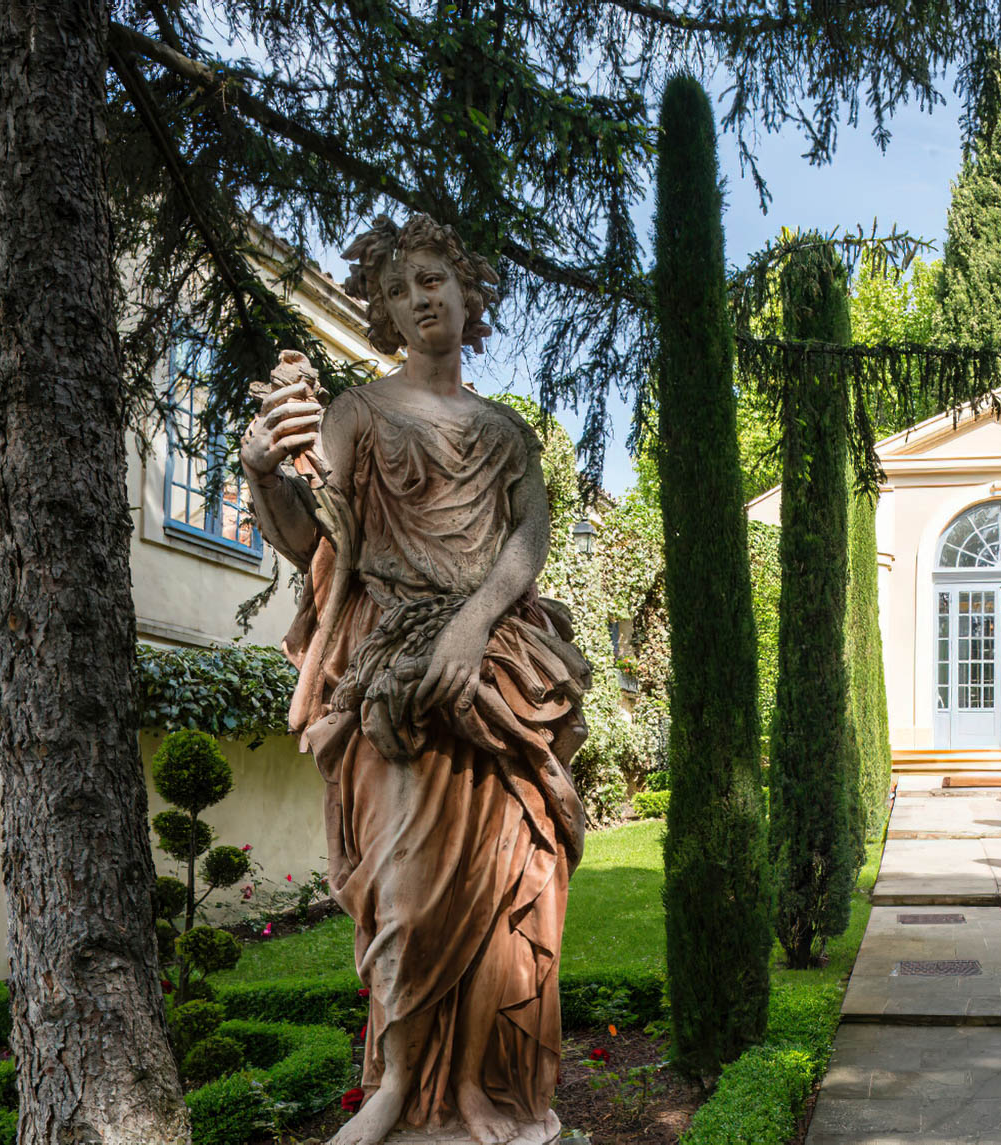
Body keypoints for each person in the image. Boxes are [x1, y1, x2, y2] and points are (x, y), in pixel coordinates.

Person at [240, 214, 588, 1145]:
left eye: (436, 278)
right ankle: (398, 1081)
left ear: (470, 293)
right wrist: (262, 474)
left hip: (495, 671)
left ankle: (477, 1090)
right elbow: (316, 543)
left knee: (503, 888)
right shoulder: (357, 412)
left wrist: (472, 627)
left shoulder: (507, 432)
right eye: (400, 289)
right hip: (389, 665)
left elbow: (528, 541)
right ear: (386, 311)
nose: (421, 297)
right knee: (404, 887)